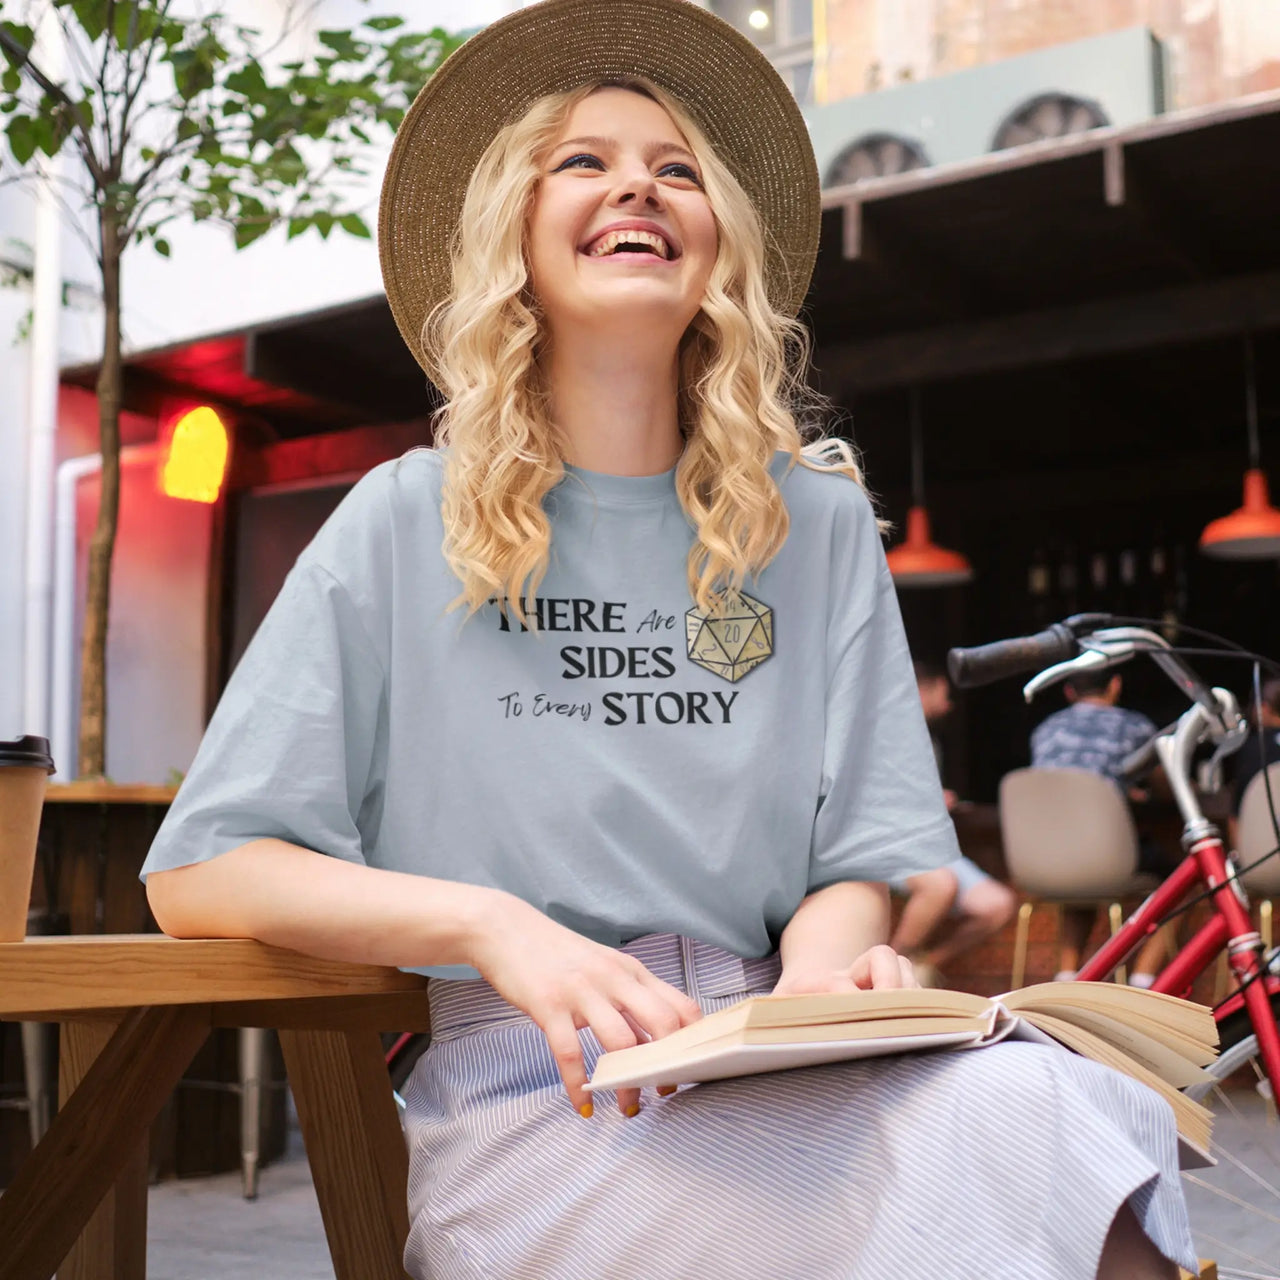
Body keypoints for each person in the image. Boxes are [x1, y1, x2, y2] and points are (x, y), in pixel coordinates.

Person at [140, 3, 1194, 1276]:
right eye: (582, 160)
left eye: (676, 168)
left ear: (717, 249)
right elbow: (200, 870)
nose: (636, 181)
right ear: (513, 240)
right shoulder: (403, 519)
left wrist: (812, 981)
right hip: (546, 1099)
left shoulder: (813, 522)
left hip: (781, 1055)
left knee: (1056, 1116)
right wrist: (493, 926)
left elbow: (865, 854)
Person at [1030, 668, 1175, 984]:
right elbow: (1166, 786)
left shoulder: (1045, 729)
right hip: (1105, 855)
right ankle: (1144, 982)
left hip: (1048, 859)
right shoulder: (1134, 725)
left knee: (1081, 883)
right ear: (1115, 684)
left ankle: (1066, 977)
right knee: (1179, 884)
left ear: (1069, 692)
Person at [891, 661, 1018, 986]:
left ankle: (924, 966)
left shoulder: (928, 739)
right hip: (884, 841)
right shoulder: (880, 732)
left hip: (925, 844)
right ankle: (891, 969)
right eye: (943, 694)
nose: (948, 705)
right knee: (940, 885)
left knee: (997, 905)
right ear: (922, 689)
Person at [1229, 677, 1280, 847]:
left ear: (1263, 708)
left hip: (1263, 856)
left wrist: (1239, 860)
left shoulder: (1253, 748)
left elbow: (1237, 813)